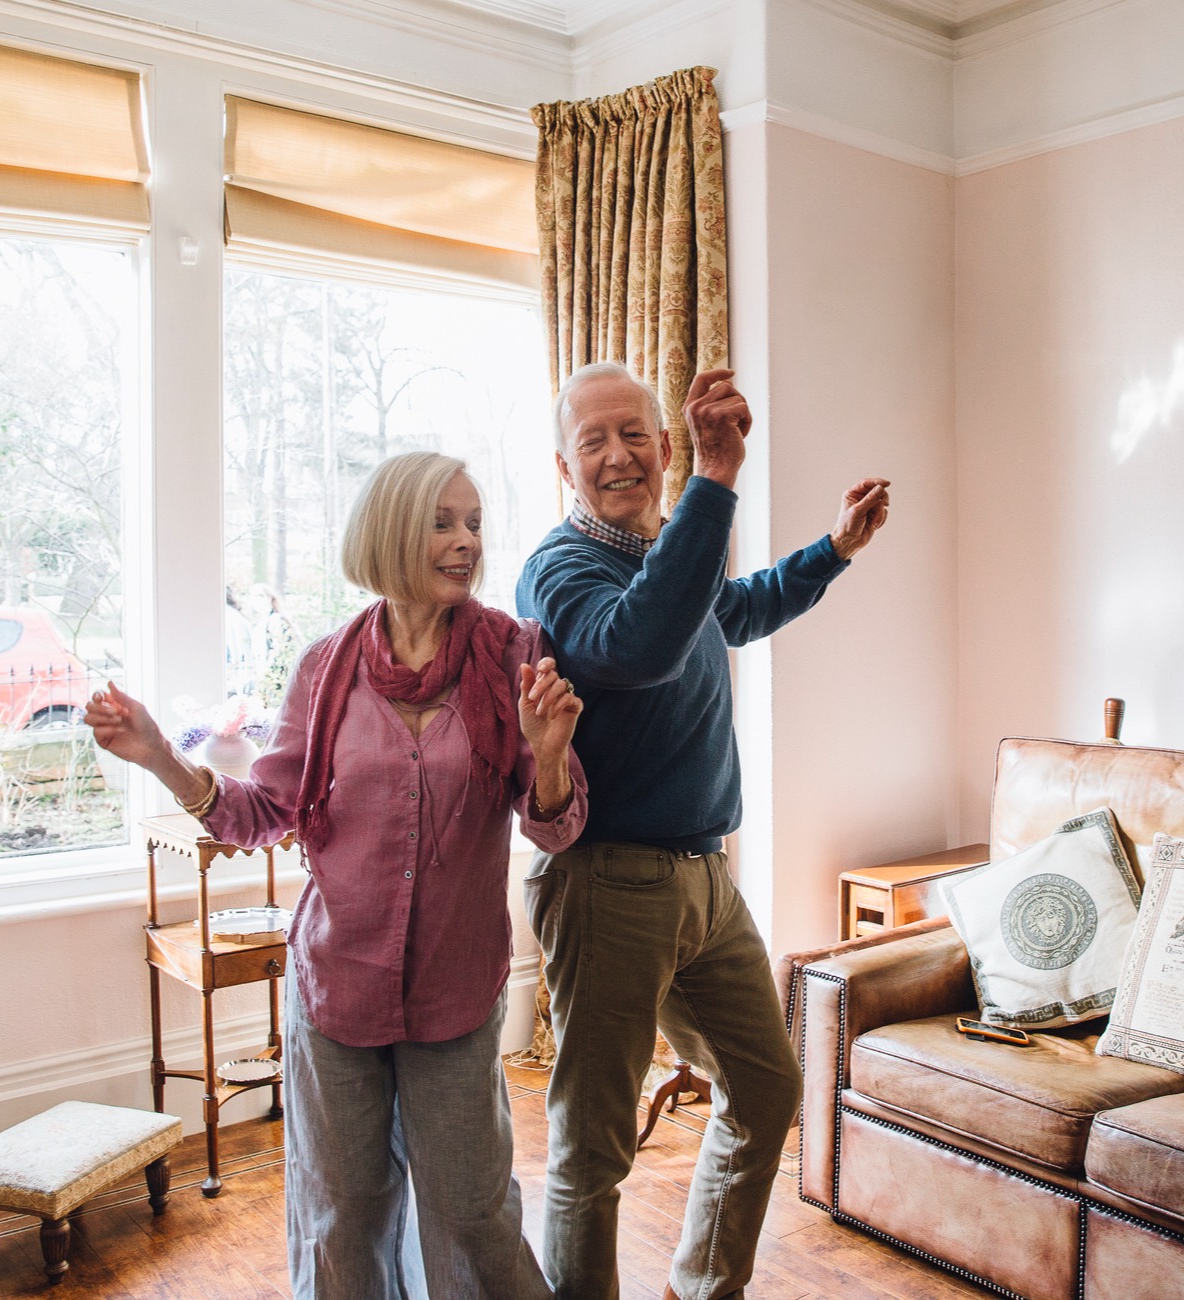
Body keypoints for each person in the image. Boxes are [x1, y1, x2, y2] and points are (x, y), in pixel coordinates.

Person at [86, 451, 587, 1300]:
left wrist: (548, 757)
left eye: (473, 524)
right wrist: (161, 758)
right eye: (443, 523)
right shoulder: (327, 668)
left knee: (471, 1215)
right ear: (391, 531)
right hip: (335, 986)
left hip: (455, 993)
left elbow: (559, 825)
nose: (466, 541)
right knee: (341, 1218)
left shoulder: (512, 653)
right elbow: (260, 814)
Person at [515, 362, 890, 1300]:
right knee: (592, 1149)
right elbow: (633, 647)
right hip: (607, 883)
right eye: (592, 440)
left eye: (633, 434)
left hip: (707, 883)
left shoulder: (667, 559)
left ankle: (700, 1288)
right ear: (564, 467)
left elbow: (742, 607)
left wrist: (834, 549)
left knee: (765, 1089)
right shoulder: (558, 569)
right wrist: (716, 487)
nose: (616, 455)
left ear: (664, 446)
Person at [250, 582, 302, 705]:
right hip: (263, 675)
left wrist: (268, 673)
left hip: (276, 678)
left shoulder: (276, 620)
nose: (256, 600)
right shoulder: (259, 623)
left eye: (260, 596)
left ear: (270, 598)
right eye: (253, 596)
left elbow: (280, 650)